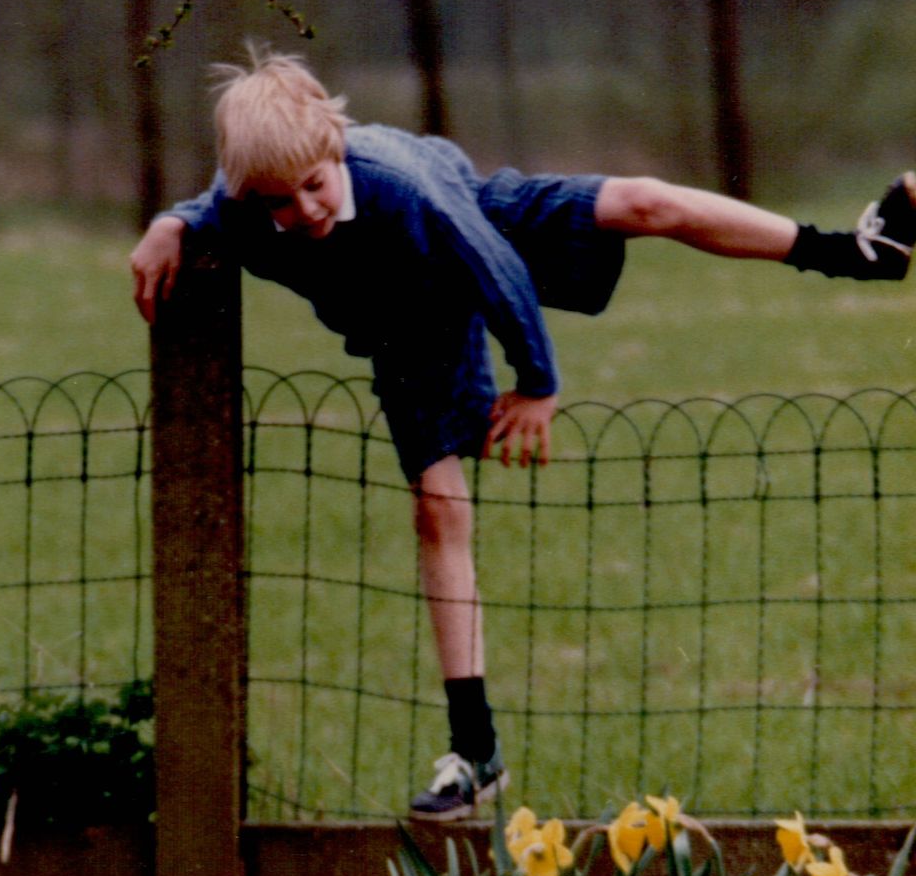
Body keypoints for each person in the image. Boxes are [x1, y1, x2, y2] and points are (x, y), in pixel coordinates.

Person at [129, 49, 914, 820]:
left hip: (478, 221)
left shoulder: (402, 190)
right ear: (247, 192)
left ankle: (855, 251)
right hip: (407, 331)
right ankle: (476, 751)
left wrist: (537, 384)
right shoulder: (240, 207)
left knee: (644, 201)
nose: (304, 211)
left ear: (335, 147)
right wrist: (172, 220)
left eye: (314, 185)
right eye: (278, 201)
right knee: (438, 511)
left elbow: (495, 266)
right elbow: (210, 207)